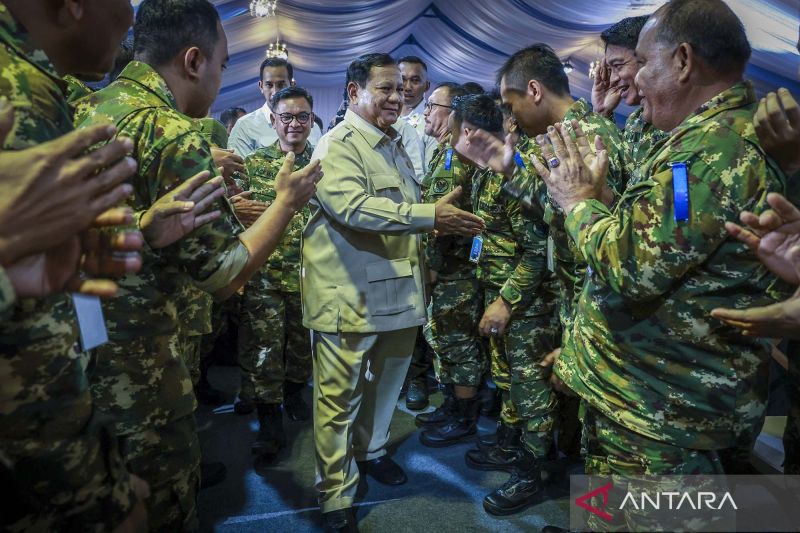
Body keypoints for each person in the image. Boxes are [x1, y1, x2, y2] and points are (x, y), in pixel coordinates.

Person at [530, 0, 786, 528]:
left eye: (643, 62)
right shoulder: (696, 140)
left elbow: (632, 268)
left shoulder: (712, 152)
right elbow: (660, 242)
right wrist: (604, 199)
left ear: (684, 61)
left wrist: (578, 203)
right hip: (642, 397)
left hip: (663, 413)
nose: (635, 80)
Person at [74, 0, 322, 529]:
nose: (219, 77)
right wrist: (285, 203)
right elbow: (224, 274)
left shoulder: (85, 107)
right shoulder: (171, 132)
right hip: (141, 348)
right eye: (223, 64)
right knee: (157, 496)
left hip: (83, 330)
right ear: (193, 61)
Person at [303, 52, 485, 532]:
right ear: (353, 92)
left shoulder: (394, 143)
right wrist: (428, 216)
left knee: (385, 387)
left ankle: (372, 450)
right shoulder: (337, 144)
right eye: (383, 88)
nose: (395, 98)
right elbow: (353, 208)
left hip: (398, 291)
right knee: (338, 400)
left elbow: (402, 209)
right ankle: (335, 492)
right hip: (349, 294)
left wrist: (431, 218)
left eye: (399, 90)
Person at [0, 1, 146, 530]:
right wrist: (94, 498)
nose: (129, 20)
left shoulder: (40, 80)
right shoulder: (17, 88)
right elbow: (26, 354)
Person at [457, 42, 628, 482]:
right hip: (576, 294)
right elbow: (557, 210)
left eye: (509, 102)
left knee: (606, 437)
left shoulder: (585, 136)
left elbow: (600, 225)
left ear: (533, 90)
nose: (508, 114)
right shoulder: (558, 136)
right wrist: (510, 170)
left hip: (600, 298)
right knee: (587, 428)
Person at [238, 86, 317, 458]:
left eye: (302, 116)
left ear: (311, 120)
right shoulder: (253, 165)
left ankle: (294, 394)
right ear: (273, 120)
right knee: (265, 350)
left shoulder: (324, 164)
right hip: (265, 277)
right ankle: (270, 424)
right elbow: (238, 216)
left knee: (302, 349)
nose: (294, 124)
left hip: (311, 277)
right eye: (286, 116)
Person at [415, 84, 489, 439]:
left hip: (454, 269)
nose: (426, 112)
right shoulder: (447, 151)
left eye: (433, 105)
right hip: (452, 267)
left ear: (454, 113)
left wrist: (429, 268)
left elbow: (440, 222)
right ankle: (452, 405)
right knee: (446, 340)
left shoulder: (454, 156)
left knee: (457, 342)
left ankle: (463, 417)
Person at [592, 15, 669, 180]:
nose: (612, 79)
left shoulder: (677, 116)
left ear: (648, 58)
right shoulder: (635, 121)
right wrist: (602, 113)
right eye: (609, 70)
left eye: (618, 66)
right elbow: (620, 181)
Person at [228, 57, 322, 156]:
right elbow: (237, 164)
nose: (275, 92)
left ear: (292, 85)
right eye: (269, 85)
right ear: (261, 86)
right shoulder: (245, 126)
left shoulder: (313, 128)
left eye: (281, 85)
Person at [399, 55, 438, 174]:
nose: (407, 87)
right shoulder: (385, 117)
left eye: (415, 80)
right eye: (402, 79)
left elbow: (430, 172)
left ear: (427, 86)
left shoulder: (431, 120)